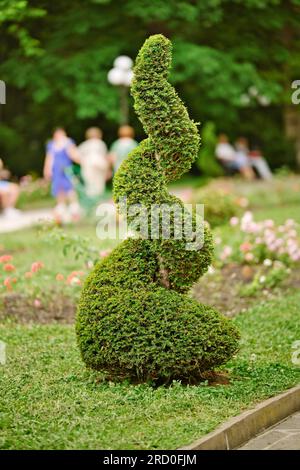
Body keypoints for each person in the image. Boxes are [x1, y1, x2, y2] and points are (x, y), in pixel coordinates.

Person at [43, 127, 81, 223]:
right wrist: (47, 170)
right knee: (59, 189)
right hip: (56, 170)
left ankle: (74, 210)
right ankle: (61, 211)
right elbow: (49, 158)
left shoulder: (68, 143)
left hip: (66, 169)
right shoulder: (51, 145)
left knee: (70, 189)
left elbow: (73, 155)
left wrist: (82, 161)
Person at [78, 127, 110, 198]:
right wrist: (108, 170)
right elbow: (105, 157)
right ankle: (98, 202)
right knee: (99, 184)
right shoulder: (100, 143)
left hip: (87, 166)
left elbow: (77, 156)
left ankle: (91, 202)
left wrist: (83, 162)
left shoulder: (84, 144)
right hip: (100, 165)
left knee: (90, 185)